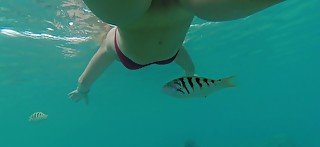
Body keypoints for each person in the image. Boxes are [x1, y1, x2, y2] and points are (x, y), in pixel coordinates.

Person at [68, 0, 284, 103]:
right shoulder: (174, 51)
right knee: (208, 9)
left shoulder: (111, 43)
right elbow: (184, 58)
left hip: (131, 17)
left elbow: (94, 68)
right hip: (178, 9)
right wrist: (191, 73)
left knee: (120, 13)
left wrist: (82, 88)